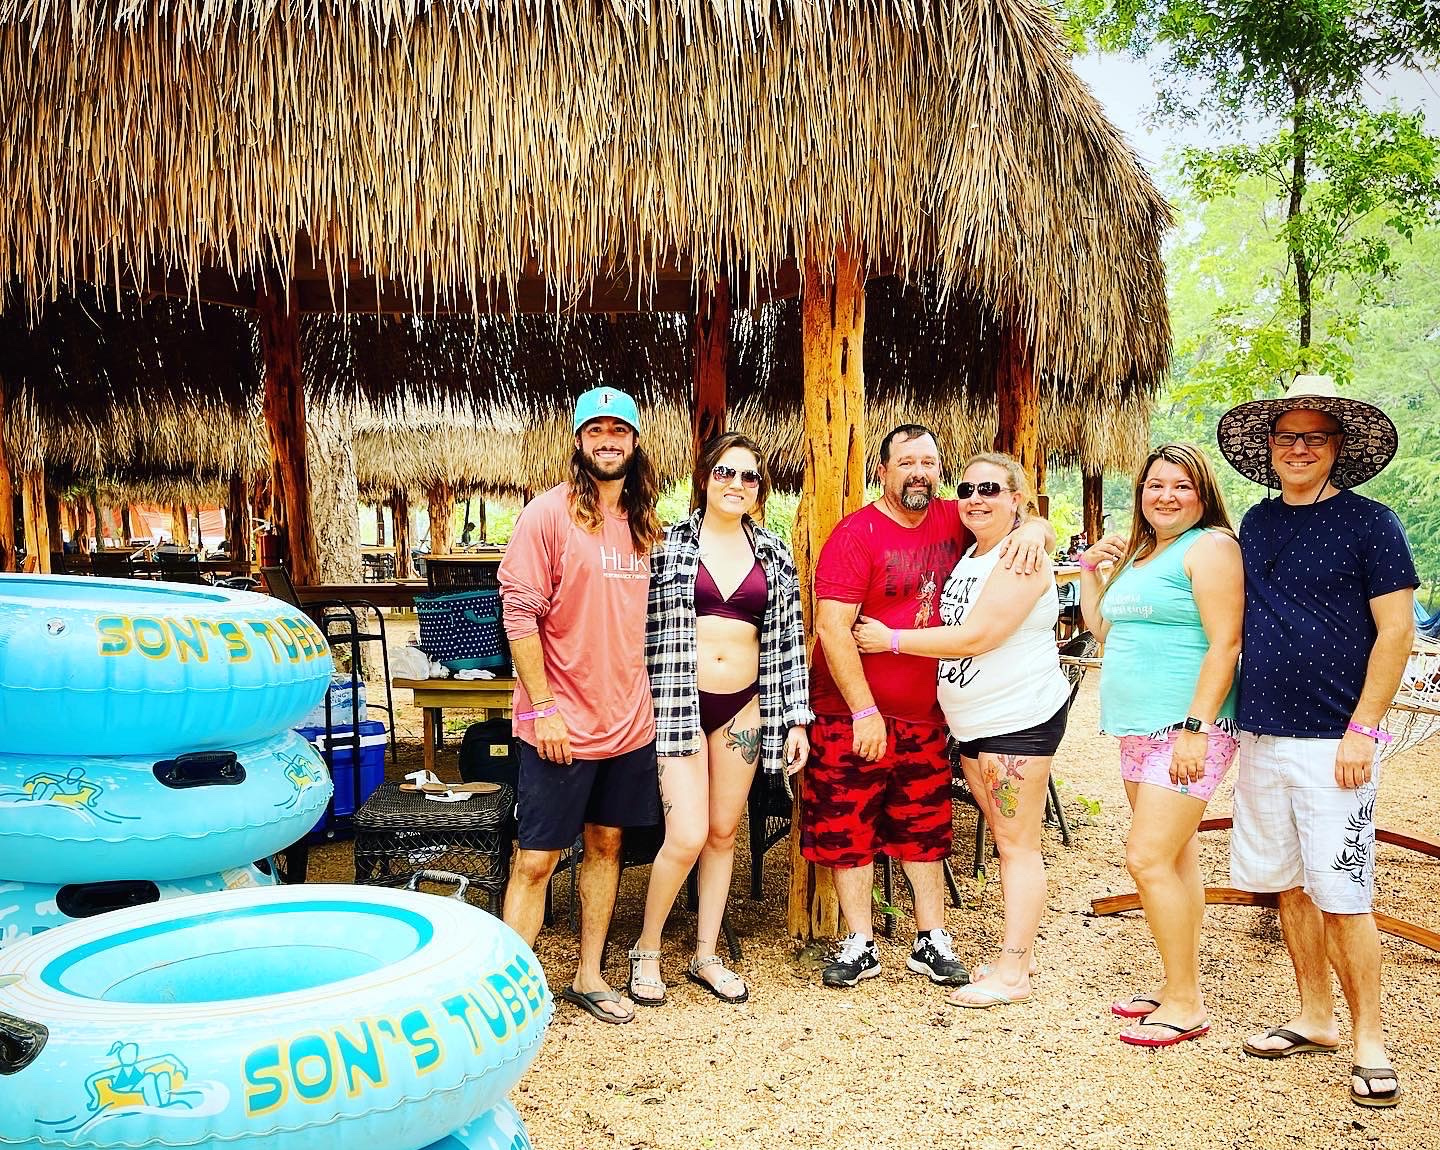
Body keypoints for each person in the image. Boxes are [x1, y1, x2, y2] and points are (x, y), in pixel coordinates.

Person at [1217, 376, 1415, 1107]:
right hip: (1263, 735)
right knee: (1290, 886)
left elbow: (1395, 633)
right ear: (1269, 450)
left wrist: (1364, 728)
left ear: (1337, 449)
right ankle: (1314, 1016)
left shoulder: (1374, 524)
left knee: (1345, 891)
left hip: (1337, 739)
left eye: (1314, 438)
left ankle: (1370, 1038)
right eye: (1286, 438)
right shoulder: (1258, 523)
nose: (1299, 449)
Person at [801, 426, 1051, 990]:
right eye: (906, 461)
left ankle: (931, 938)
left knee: (924, 827)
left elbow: (1017, 519)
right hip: (850, 713)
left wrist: (1037, 526)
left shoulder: (956, 516)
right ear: (882, 471)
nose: (919, 471)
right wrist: (864, 710)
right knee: (849, 828)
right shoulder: (855, 534)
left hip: (927, 715)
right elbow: (833, 629)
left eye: (930, 462)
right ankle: (860, 940)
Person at [853, 452, 1068, 1008]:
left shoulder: (1020, 556)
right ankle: (1011, 963)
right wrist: (1042, 527)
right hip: (975, 725)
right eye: (968, 487)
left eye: (992, 489)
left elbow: (979, 636)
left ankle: (1014, 971)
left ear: (1017, 498)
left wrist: (891, 640)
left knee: (1017, 847)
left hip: (1015, 723)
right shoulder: (974, 550)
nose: (976, 497)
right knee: (1004, 839)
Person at [497, 385, 664, 1025]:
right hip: (558, 723)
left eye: (617, 431)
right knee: (536, 858)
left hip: (629, 720)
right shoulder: (548, 515)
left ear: (635, 440)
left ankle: (589, 975)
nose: (607, 441)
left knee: (606, 846)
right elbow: (519, 615)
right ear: (578, 441)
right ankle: (509, 992)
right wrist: (544, 709)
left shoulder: (645, 522)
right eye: (595, 431)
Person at [630, 433, 813, 1006]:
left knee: (722, 832)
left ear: (761, 489)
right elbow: (629, 622)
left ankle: (706, 953)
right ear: (705, 478)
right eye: (725, 473)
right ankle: (647, 949)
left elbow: (788, 640)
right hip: (679, 701)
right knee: (684, 835)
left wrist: (796, 720)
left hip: (746, 707)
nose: (736, 484)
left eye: (749, 476)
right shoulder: (665, 544)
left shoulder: (774, 554)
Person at [1077, 444, 1243, 1046]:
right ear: (1140, 494)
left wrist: (1196, 728)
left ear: (1202, 495)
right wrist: (1092, 574)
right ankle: (1178, 979)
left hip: (1187, 728)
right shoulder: (1147, 554)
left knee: (1144, 859)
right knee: (1175, 860)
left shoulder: (1212, 547)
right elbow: (1103, 629)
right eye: (1155, 485)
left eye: (1181, 486)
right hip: (1136, 727)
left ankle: (1186, 1001)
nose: (1166, 496)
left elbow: (1226, 644)